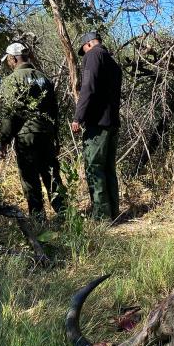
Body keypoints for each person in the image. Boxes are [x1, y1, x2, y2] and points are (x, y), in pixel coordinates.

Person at [0, 42, 65, 221]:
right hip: (46, 134)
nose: (8, 63)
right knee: (52, 176)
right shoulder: (44, 78)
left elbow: (10, 112)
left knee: (30, 178)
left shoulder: (12, 80)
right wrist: (56, 137)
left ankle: (38, 220)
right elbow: (54, 111)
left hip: (26, 135)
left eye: (8, 60)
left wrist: (4, 140)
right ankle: (65, 216)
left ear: (13, 59)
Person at [72, 31, 122, 221]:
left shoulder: (93, 55)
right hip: (112, 122)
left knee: (94, 167)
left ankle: (101, 217)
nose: (84, 54)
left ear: (88, 45)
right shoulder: (112, 62)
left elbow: (88, 87)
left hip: (98, 125)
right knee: (108, 168)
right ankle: (113, 213)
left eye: (83, 50)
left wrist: (78, 117)